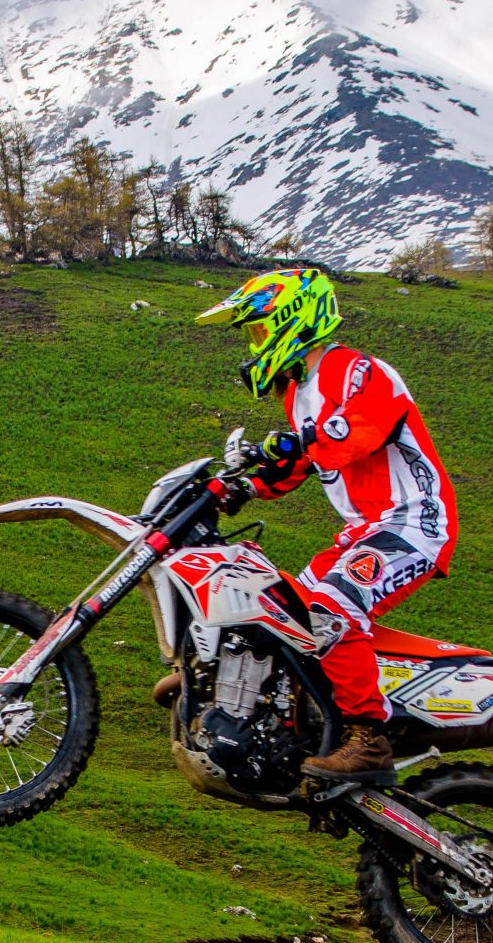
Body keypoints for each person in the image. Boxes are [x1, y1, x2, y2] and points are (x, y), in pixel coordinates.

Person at [196, 266, 457, 780]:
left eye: (259, 329)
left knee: (332, 604)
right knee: (285, 611)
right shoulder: (299, 393)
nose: (255, 344)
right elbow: (300, 462)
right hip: (365, 531)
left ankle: (369, 739)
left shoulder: (358, 371)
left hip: (412, 522)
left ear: (293, 319)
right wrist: (244, 487)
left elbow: (353, 436)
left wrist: (295, 444)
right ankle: (292, 722)